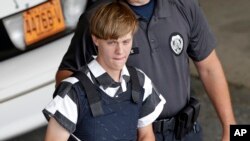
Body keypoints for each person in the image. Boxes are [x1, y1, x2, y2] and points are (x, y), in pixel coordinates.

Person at [56, 0, 236, 140]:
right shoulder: (100, 16)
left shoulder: (183, 5)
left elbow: (209, 67)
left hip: (187, 131)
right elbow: (67, 75)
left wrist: (231, 128)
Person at [42, 2, 166, 141]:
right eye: (112, 42)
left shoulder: (140, 81)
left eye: (125, 42)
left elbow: (146, 135)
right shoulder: (73, 92)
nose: (120, 51)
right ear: (96, 39)